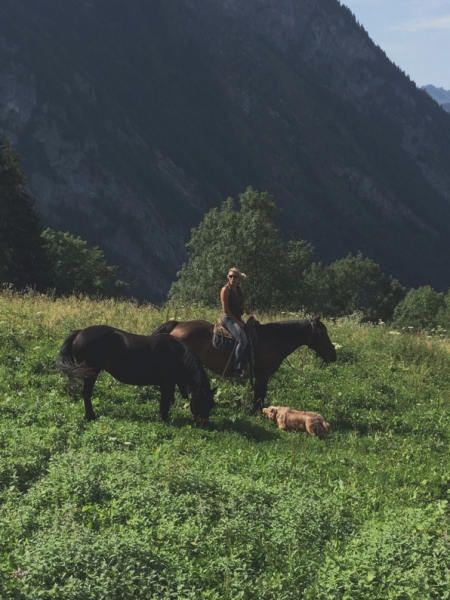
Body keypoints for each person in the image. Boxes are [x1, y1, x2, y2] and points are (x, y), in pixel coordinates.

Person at [220, 267, 253, 377]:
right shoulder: (225, 290)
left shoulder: (238, 289)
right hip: (229, 319)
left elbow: (242, 304)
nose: (232, 279)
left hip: (238, 317)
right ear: (228, 277)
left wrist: (249, 314)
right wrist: (237, 322)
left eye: (235, 277)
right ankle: (237, 368)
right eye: (230, 276)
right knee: (242, 341)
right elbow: (225, 310)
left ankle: (248, 362)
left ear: (239, 279)